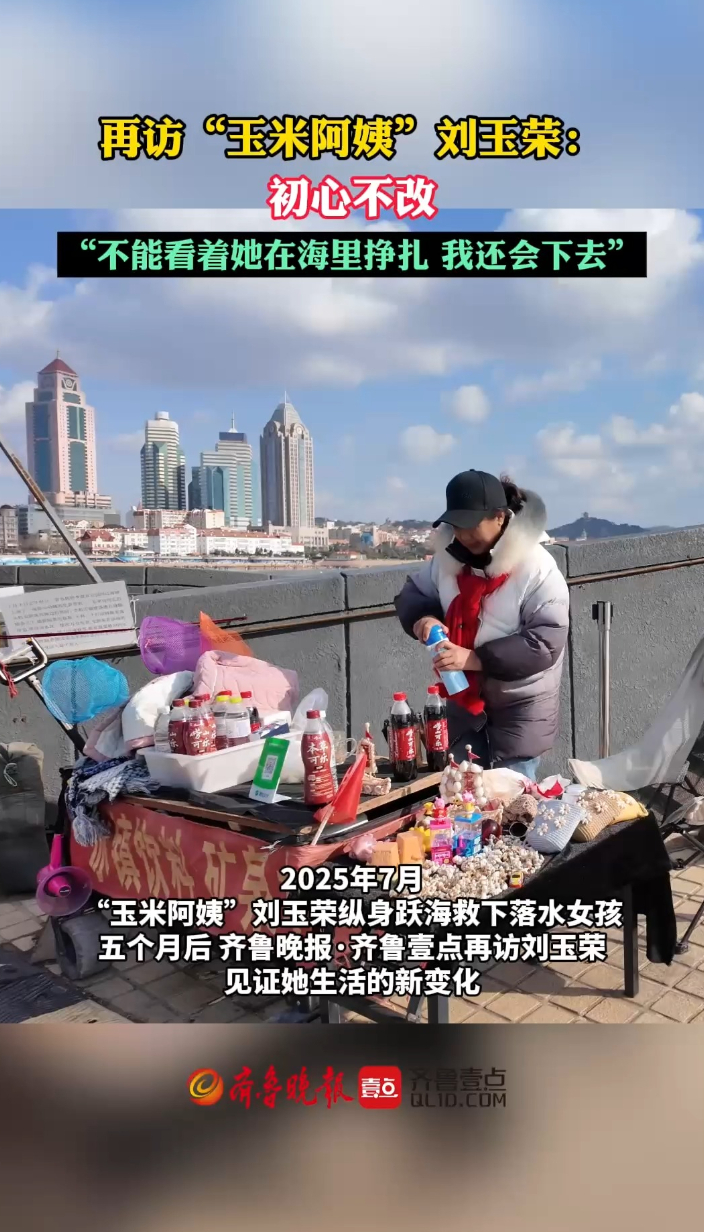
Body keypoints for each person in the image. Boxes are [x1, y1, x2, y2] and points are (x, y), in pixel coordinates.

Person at [394, 469, 569, 780]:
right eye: (456, 525)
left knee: (513, 796)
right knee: (461, 793)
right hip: (462, 703)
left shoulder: (537, 567)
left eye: (471, 524)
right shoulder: (447, 560)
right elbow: (413, 593)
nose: (463, 534)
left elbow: (544, 643)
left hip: (520, 706)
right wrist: (424, 618)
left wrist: (473, 659)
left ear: (499, 517)